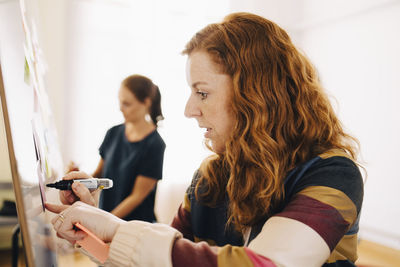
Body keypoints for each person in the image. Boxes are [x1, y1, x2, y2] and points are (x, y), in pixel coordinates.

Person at [46, 12, 364, 267]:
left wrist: (114, 227)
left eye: (202, 93)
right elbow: (153, 258)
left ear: (256, 95)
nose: (189, 110)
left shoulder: (333, 175)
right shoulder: (209, 178)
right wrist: (86, 227)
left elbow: (266, 263)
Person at [61, 74, 166, 222]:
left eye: (127, 104)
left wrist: (105, 220)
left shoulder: (155, 144)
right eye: (120, 102)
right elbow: (98, 175)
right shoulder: (113, 133)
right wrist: (78, 179)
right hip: (107, 218)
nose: (120, 108)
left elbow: (137, 197)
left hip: (135, 226)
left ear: (146, 103)